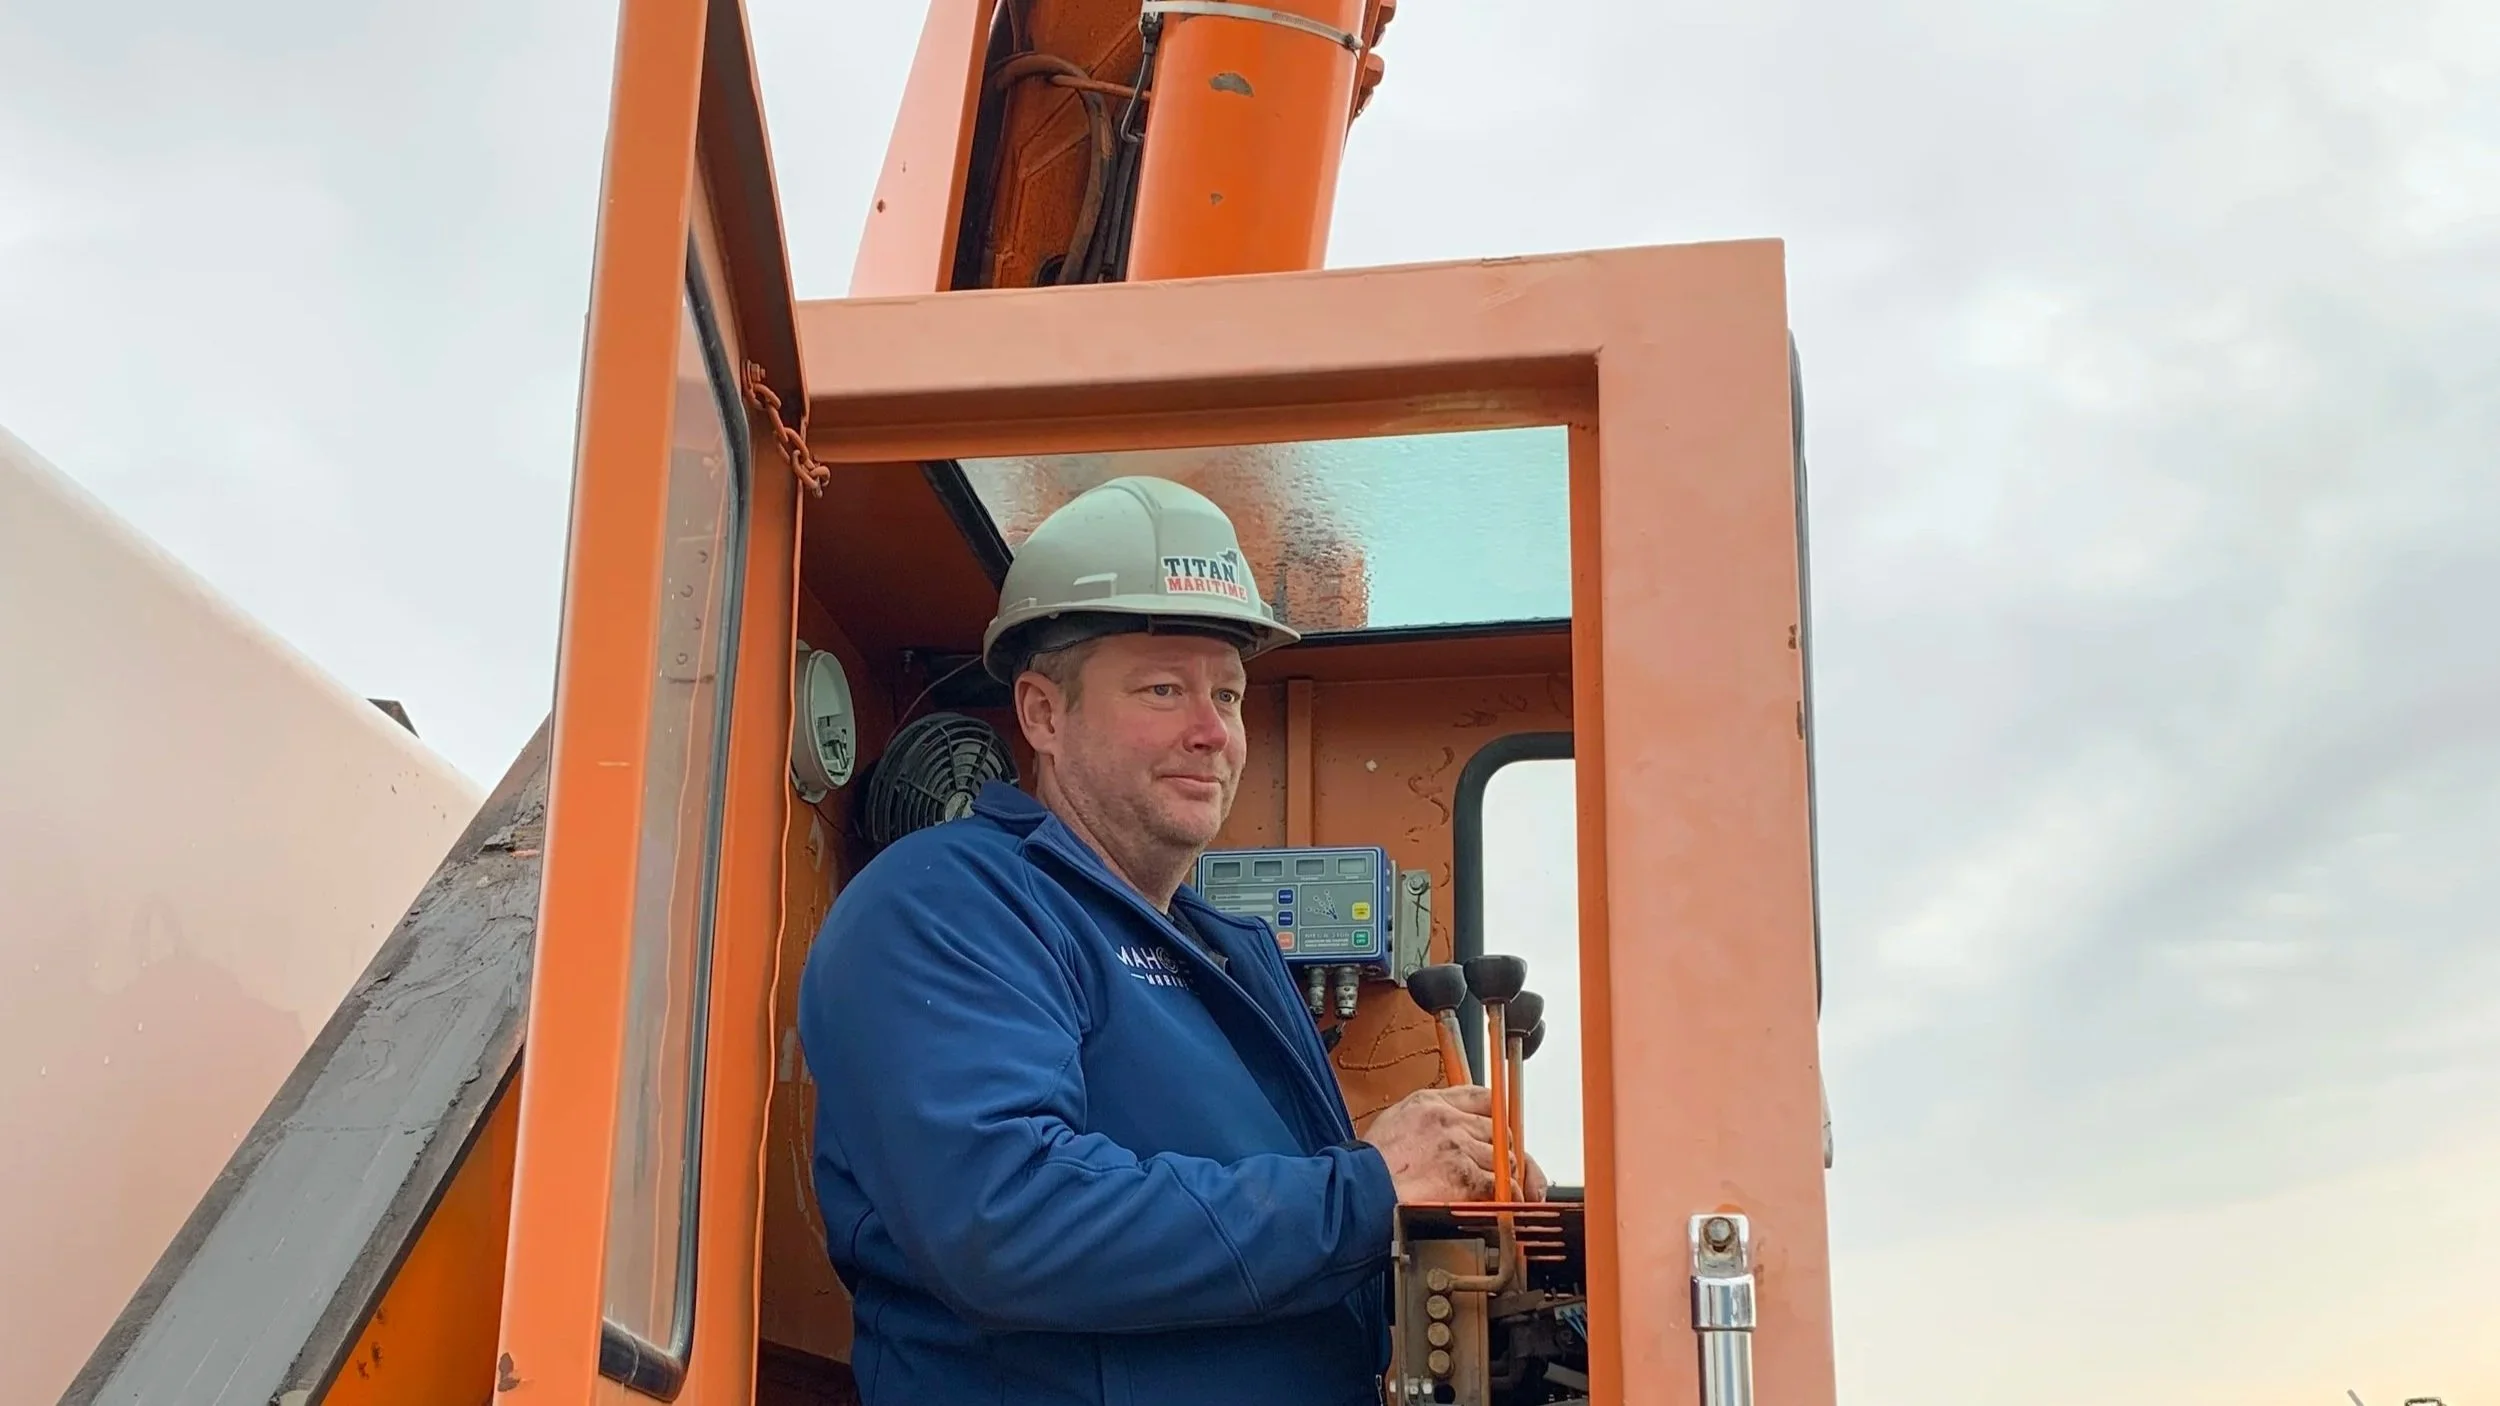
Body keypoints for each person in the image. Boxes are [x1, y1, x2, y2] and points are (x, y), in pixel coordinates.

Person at [797, 475, 1542, 1406]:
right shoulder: (945, 903)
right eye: (1164, 690)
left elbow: (1283, 1232)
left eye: (1227, 697)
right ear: (1043, 715)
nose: (1213, 733)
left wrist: (1446, 1196)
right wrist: (1369, 1187)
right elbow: (1011, 1221)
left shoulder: (1227, 949)